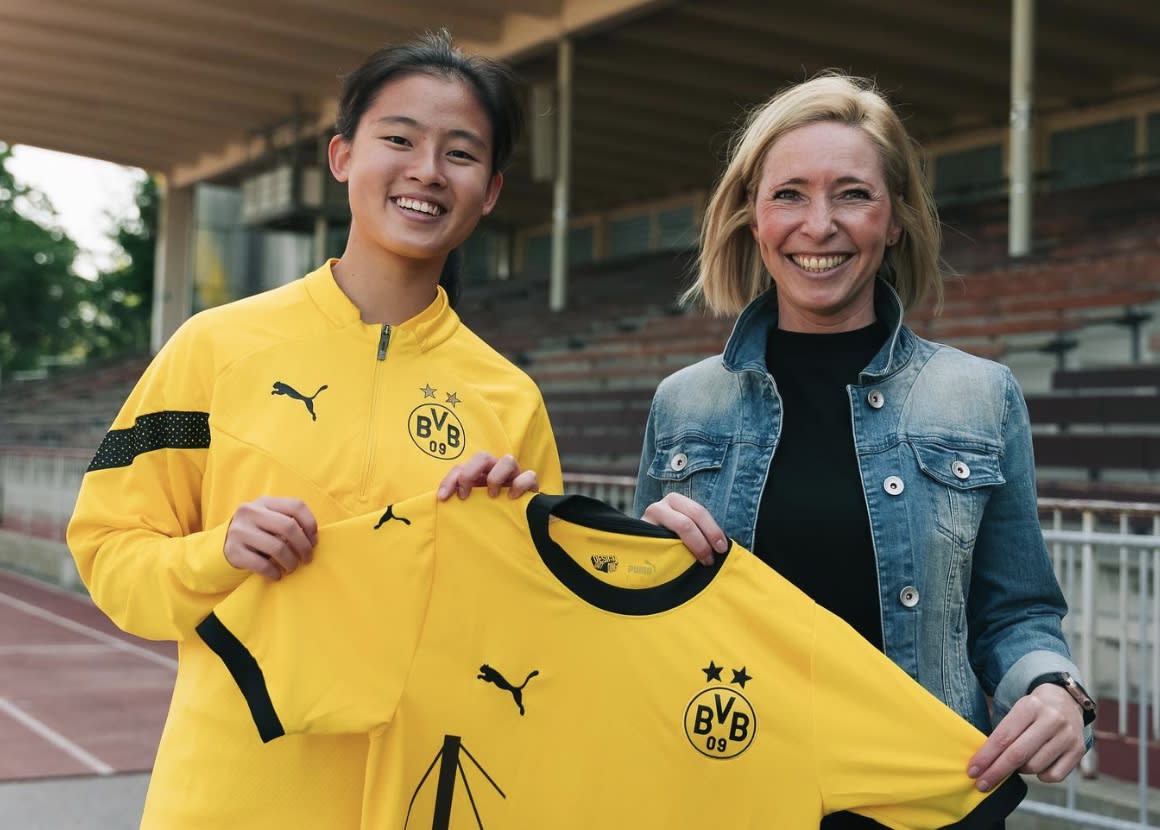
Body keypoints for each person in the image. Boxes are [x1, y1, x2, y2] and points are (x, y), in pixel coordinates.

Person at [67, 30, 561, 829]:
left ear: (492, 191)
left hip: (422, 799)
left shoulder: (510, 400)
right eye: (398, 139)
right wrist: (217, 551)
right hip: (228, 799)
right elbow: (107, 554)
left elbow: (539, 632)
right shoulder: (214, 347)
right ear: (342, 157)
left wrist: (501, 543)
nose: (427, 171)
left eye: (460, 153)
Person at [633, 73, 1091, 829]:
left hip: (923, 805)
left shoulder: (979, 395)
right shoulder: (685, 403)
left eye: (852, 193)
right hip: (724, 793)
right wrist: (647, 565)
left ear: (897, 218)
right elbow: (644, 616)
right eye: (789, 195)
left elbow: (1017, 613)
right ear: (752, 217)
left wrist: (1053, 690)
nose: (820, 225)